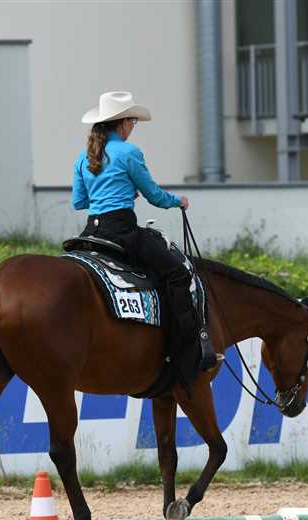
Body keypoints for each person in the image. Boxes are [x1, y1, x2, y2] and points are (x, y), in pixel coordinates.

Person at [72, 90, 217, 383]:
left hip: (91, 232)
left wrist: (115, 191)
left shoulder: (84, 157)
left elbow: (79, 201)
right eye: (133, 122)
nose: (133, 127)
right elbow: (154, 196)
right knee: (178, 274)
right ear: (123, 123)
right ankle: (188, 347)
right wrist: (178, 201)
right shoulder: (130, 152)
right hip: (122, 232)